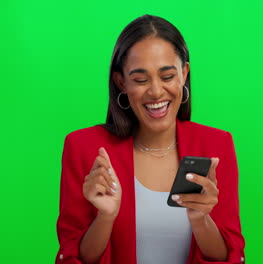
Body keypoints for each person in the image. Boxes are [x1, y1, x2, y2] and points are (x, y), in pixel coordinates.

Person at [55, 14, 246, 264]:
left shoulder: (215, 146)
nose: (156, 91)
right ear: (121, 81)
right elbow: (73, 257)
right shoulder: (84, 148)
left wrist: (201, 219)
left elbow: (228, 257)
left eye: (167, 76)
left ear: (184, 73)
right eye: (140, 80)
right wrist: (105, 217)